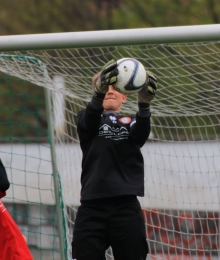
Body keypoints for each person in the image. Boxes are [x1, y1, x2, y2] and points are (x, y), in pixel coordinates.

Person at [72, 60, 157, 260]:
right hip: (92, 205)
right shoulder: (86, 118)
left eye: (115, 88)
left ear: (125, 96)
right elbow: (89, 122)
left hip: (125, 206)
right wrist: (98, 93)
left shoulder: (133, 122)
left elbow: (141, 134)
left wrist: (144, 106)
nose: (109, 91)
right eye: (103, 88)